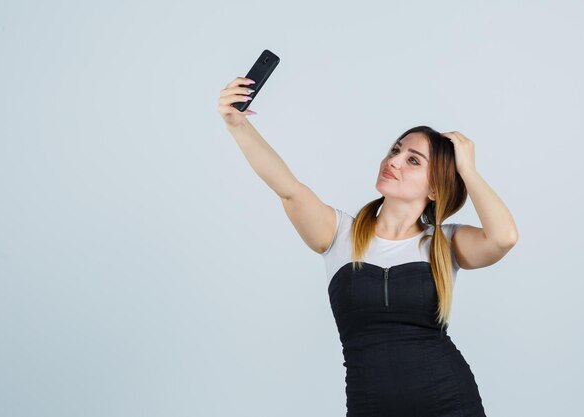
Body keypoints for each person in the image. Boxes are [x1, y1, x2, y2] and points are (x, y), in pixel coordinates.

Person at [218, 76, 519, 416]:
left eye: (413, 160)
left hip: (449, 403)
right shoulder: (339, 234)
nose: (394, 161)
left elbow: (503, 237)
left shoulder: (446, 243)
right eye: (395, 150)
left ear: (435, 189)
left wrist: (467, 169)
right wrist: (237, 124)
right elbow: (287, 188)